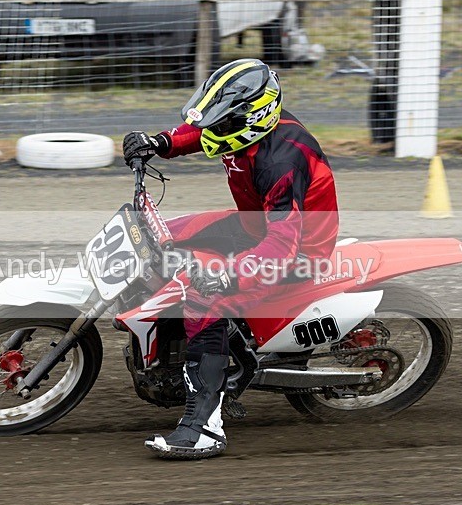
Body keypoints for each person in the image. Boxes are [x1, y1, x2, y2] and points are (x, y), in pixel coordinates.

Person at [122, 58, 339, 459]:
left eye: (221, 123)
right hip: (257, 226)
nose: (213, 129)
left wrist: (226, 277)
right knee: (167, 236)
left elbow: (282, 247)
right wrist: (160, 143)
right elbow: (198, 129)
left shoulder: (281, 162)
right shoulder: (242, 130)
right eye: (214, 119)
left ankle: (205, 426)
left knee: (206, 296)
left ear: (249, 120)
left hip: (297, 251)